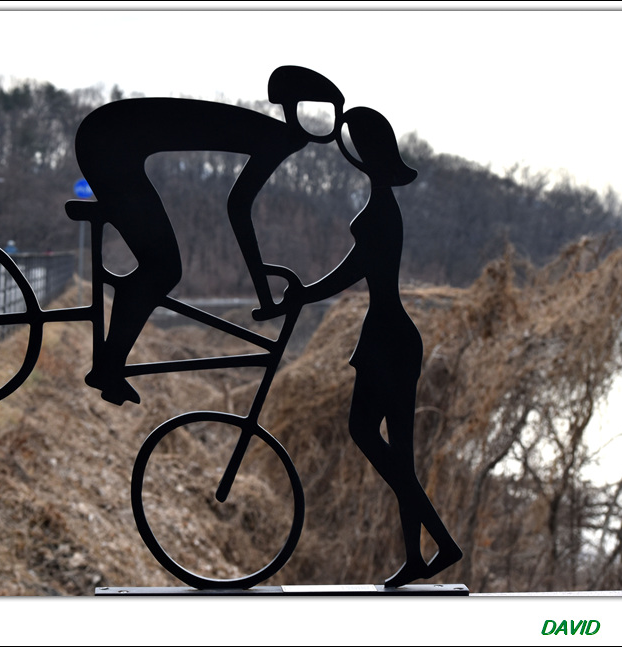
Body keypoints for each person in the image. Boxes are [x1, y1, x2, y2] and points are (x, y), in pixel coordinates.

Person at [65, 66, 345, 405]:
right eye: (328, 115)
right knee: (162, 269)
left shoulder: (272, 132)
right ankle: (108, 367)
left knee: (159, 269)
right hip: (108, 142)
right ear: (292, 109)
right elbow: (238, 207)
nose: (330, 128)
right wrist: (262, 287)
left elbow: (237, 205)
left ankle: (109, 362)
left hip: (108, 134)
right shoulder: (280, 138)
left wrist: (262, 285)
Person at [299, 107, 462, 588]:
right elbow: (353, 271)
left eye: (363, 148)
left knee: (364, 432)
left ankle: (440, 541)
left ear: (374, 157)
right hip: (391, 335)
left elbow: (349, 273)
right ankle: (417, 557)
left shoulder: (378, 215)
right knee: (395, 454)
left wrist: (302, 296)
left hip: (388, 339)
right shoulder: (381, 208)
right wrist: (302, 295)